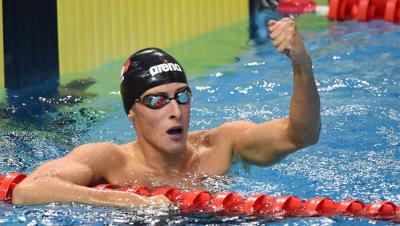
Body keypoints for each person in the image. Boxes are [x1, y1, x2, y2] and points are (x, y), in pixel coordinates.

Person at [12, 18, 320, 208]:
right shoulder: (110, 160)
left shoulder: (222, 146)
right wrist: (126, 201)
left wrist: (301, 64)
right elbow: (29, 189)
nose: (175, 111)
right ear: (132, 113)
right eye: (157, 101)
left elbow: (302, 134)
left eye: (182, 96)